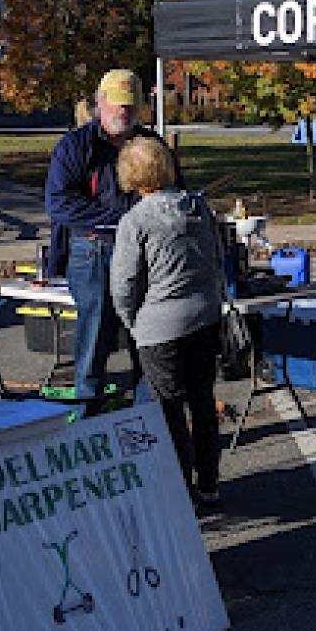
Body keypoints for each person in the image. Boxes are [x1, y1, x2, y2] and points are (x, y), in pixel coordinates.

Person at [110, 138, 225, 509]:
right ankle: (209, 481)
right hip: (204, 314)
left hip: (159, 325)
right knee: (202, 401)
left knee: (168, 409)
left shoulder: (135, 221)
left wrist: (132, 321)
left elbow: (124, 283)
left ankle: (180, 488)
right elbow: (217, 257)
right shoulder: (198, 207)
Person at [45, 69, 159, 411]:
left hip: (146, 251)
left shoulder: (151, 145)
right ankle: (88, 411)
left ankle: (150, 410)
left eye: (130, 104)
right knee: (95, 331)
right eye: (117, 103)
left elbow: (172, 189)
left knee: (149, 332)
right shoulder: (75, 146)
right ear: (100, 102)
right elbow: (59, 204)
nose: (123, 111)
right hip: (93, 250)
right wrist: (123, 220)